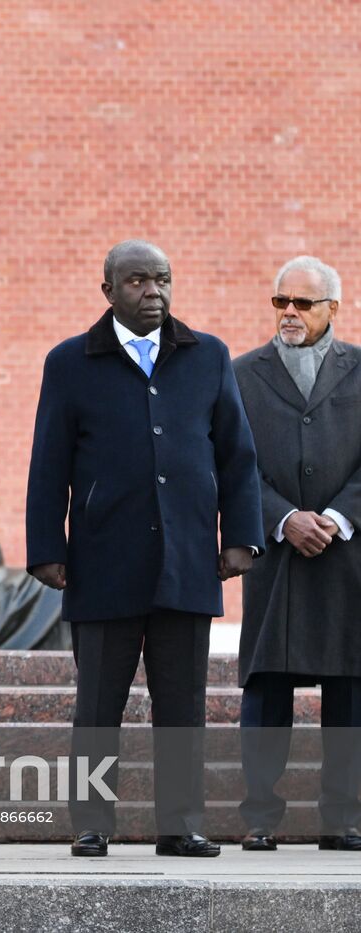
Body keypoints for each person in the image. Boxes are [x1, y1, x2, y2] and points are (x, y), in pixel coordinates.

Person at [26, 239, 263, 859]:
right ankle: (91, 823)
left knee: (182, 706)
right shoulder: (70, 361)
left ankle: (181, 825)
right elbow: (48, 464)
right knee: (97, 703)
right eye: (136, 282)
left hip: (188, 560)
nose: (152, 292)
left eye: (161, 280)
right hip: (102, 562)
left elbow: (237, 456)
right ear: (107, 291)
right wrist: (47, 547)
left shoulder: (207, 356)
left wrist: (240, 537)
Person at [233, 256, 361, 851]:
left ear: (333, 308)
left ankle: (343, 819)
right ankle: (260, 817)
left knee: (351, 694)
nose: (289, 312)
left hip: (347, 557)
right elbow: (231, 466)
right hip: (276, 555)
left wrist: (336, 518)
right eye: (281, 301)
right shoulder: (239, 375)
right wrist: (284, 517)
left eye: (303, 304)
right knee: (267, 692)